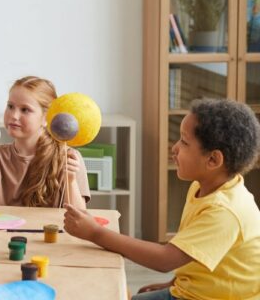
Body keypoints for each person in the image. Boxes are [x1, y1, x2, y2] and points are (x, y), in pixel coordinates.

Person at [64, 98, 260, 300]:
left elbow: (165, 259)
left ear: (213, 160)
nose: (174, 148)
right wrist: (172, 284)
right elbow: (193, 252)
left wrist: (95, 233)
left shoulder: (224, 211)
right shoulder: (203, 188)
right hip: (194, 291)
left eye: (184, 142)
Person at [0, 75, 90, 208]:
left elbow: (78, 217)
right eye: (10, 106)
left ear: (46, 118)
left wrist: (71, 180)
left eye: (25, 110)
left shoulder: (67, 157)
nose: (14, 115)